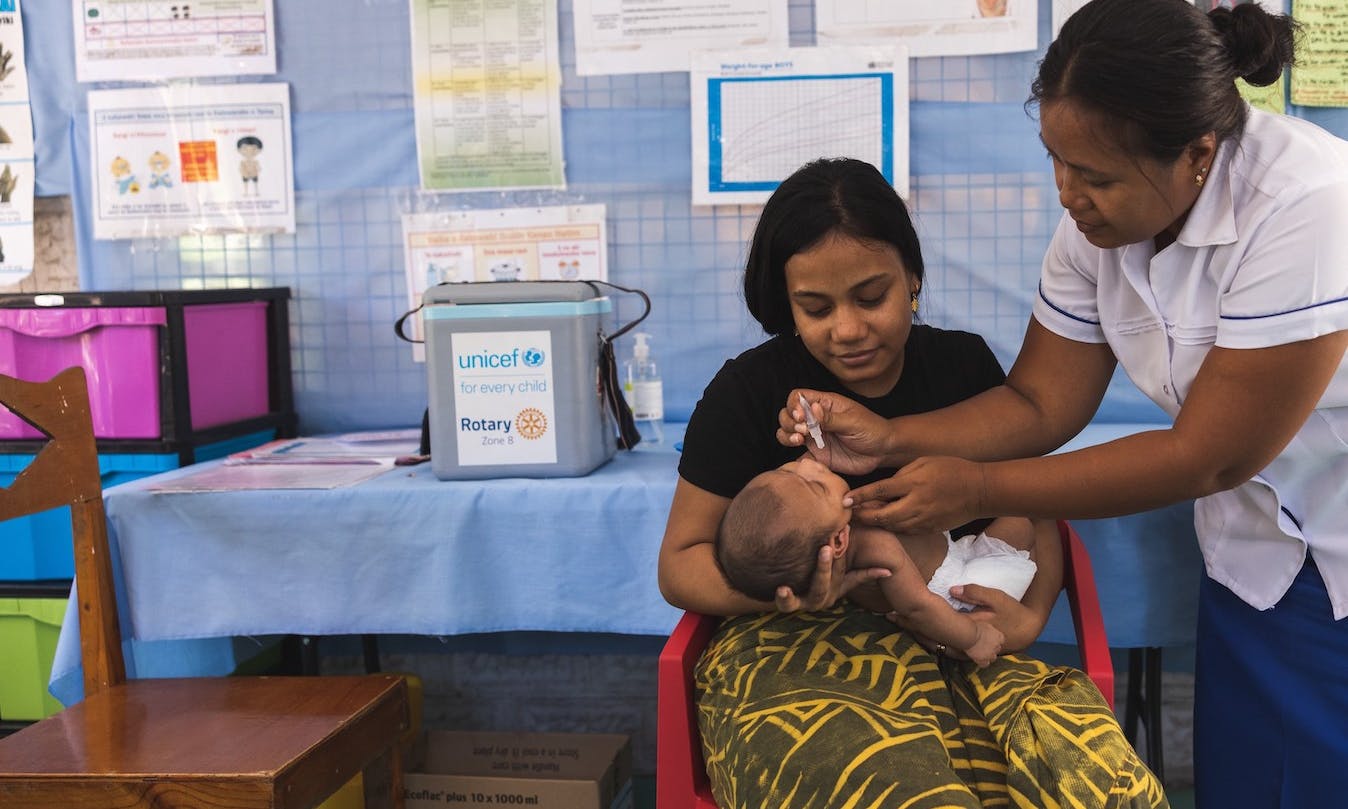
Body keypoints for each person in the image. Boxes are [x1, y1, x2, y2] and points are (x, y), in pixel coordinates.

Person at [778, 3, 1348, 807]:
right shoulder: (1098, 223)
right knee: (1248, 781)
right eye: (1056, 160)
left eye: (1097, 176)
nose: (1069, 195)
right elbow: (1041, 399)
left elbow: (1208, 454)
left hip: (1339, 539)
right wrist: (889, 436)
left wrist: (980, 488)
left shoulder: (1308, 204)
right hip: (1254, 556)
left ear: (1197, 154)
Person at [659, 155, 1167, 808]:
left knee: (1095, 783)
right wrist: (803, 590)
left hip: (967, 637)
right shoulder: (750, 391)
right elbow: (679, 565)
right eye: (815, 308)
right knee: (879, 781)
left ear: (914, 279)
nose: (847, 330)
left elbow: (1033, 506)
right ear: (786, 305)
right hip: (799, 648)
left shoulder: (963, 367)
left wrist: (1026, 618)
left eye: (872, 296)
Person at [715, 456, 1038, 667]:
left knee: (1017, 515)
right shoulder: (876, 546)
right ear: (839, 541)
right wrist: (973, 638)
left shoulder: (841, 520)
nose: (807, 463)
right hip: (956, 595)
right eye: (814, 484)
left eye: (785, 468)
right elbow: (918, 606)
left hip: (955, 554)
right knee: (1021, 525)